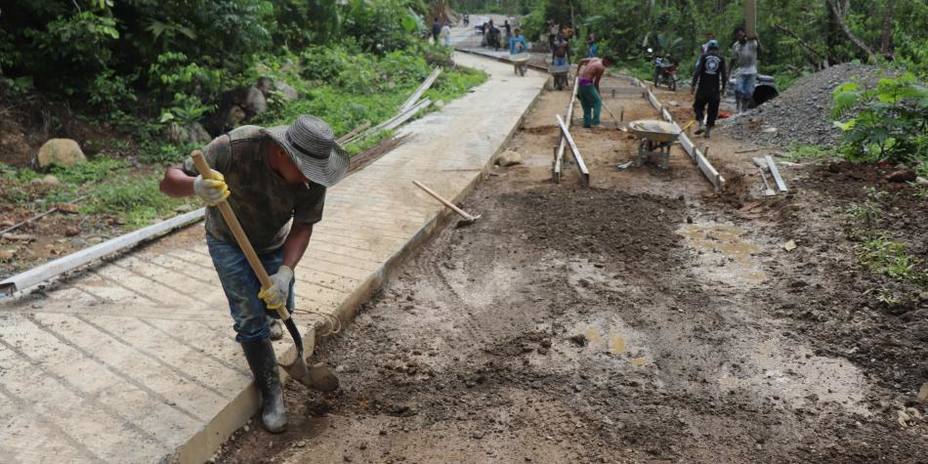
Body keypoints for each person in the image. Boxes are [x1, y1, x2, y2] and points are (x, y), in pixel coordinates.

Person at [159, 115, 349, 433]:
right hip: (227, 240)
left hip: (274, 240)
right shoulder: (233, 148)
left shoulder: (313, 177)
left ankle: (272, 316)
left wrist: (285, 272)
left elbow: (303, 226)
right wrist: (194, 185)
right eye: (304, 171)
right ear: (281, 153)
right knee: (249, 318)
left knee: (279, 301)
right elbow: (167, 182)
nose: (308, 181)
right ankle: (271, 392)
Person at [691, 40, 728, 138]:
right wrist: (723, 87)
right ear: (717, 48)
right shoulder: (721, 58)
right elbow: (724, 75)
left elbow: (697, 71)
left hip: (703, 88)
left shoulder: (703, 57)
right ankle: (707, 131)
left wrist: (693, 85)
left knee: (697, 106)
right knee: (713, 110)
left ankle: (701, 123)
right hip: (714, 89)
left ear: (708, 48)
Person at [730, 26, 760, 113]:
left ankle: (744, 109)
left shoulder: (752, 43)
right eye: (737, 36)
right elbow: (733, 60)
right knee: (738, 90)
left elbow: (761, 52)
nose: (739, 37)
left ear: (744, 34)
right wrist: (728, 73)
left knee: (748, 93)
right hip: (741, 70)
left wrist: (758, 39)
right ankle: (738, 107)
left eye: (740, 35)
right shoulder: (736, 46)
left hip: (752, 70)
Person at [576, 57, 608, 128]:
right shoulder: (601, 67)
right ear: (606, 61)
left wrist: (577, 72)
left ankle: (587, 124)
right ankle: (596, 122)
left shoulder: (594, 59)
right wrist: (598, 94)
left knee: (586, 104)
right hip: (587, 84)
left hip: (581, 83)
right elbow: (596, 83)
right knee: (598, 102)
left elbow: (581, 60)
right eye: (609, 64)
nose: (608, 66)